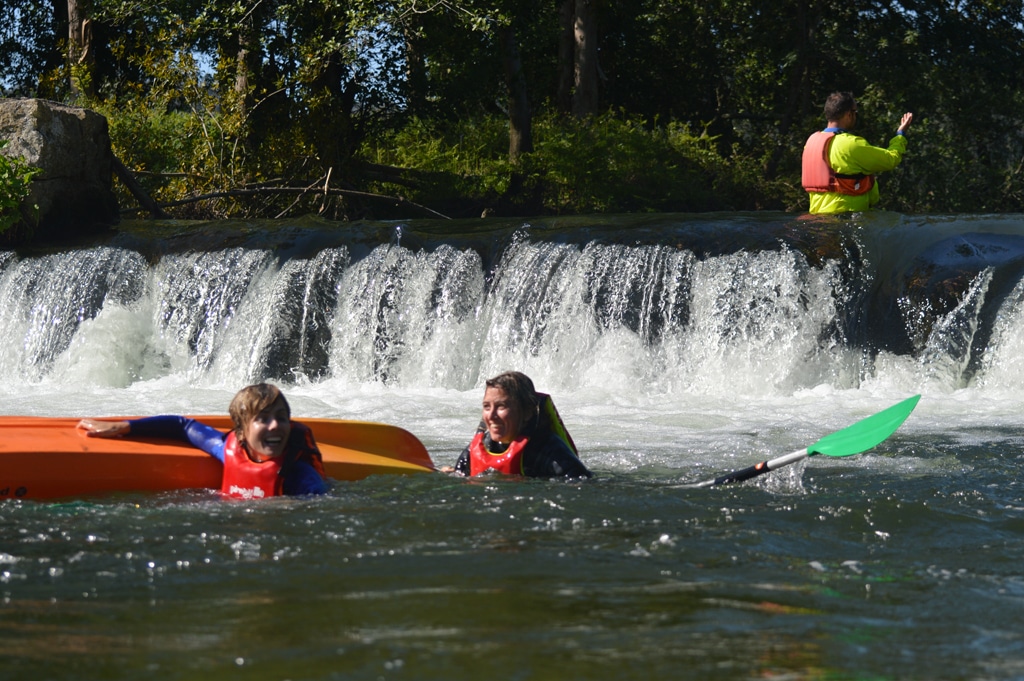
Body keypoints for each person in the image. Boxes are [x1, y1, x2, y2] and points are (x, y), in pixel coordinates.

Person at [77, 383, 329, 499]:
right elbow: (183, 426)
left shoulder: (301, 478)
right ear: (241, 432)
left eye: (281, 418)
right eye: (262, 419)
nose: (275, 426)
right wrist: (126, 427)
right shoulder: (228, 449)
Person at [447, 371, 591, 479]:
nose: (491, 416)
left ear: (528, 412)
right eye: (486, 407)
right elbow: (459, 475)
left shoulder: (548, 450)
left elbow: (581, 485)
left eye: (501, 406)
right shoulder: (482, 445)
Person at [802, 91, 913, 214]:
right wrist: (900, 135)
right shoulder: (851, 144)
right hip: (846, 221)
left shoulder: (811, 142)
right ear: (849, 114)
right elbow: (891, 159)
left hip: (817, 221)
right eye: (855, 112)